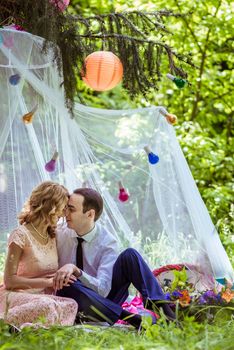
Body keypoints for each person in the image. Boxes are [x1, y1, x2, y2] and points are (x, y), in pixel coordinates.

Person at [55, 188, 175, 328]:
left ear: (90, 214)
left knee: (130, 255)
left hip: (105, 299)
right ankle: (130, 318)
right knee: (68, 282)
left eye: (71, 209)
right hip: (76, 299)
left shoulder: (107, 242)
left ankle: (167, 313)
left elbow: (103, 290)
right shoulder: (59, 233)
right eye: (66, 208)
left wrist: (78, 271)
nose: (65, 214)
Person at [0, 181, 78, 329]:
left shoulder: (53, 235)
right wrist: (48, 282)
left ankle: (28, 328)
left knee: (71, 305)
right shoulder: (20, 235)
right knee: (47, 305)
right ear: (51, 206)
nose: (64, 213)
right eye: (64, 207)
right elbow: (9, 281)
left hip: (42, 297)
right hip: (17, 295)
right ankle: (4, 322)